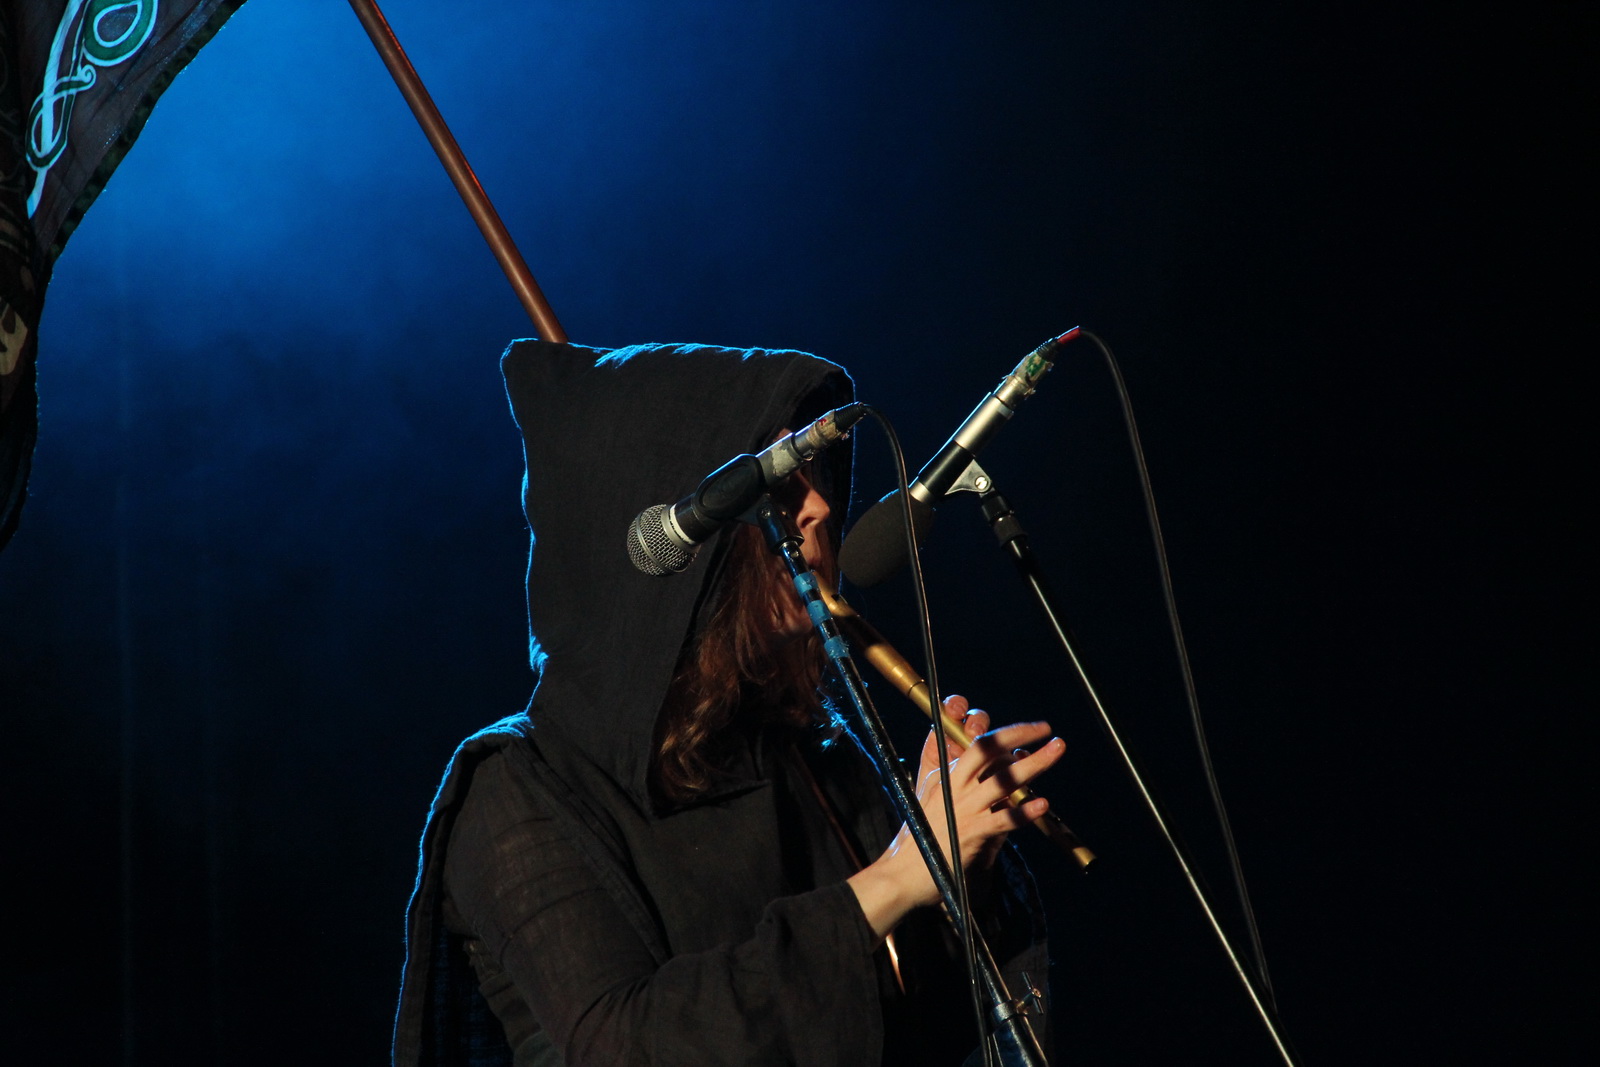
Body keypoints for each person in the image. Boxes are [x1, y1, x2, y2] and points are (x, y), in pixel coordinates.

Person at [392, 340, 1064, 1066]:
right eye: (778, 482)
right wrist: (898, 876)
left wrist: (961, 870)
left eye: (813, 472)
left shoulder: (809, 753)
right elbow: (629, 1046)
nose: (818, 506)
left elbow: (917, 1026)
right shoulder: (516, 791)